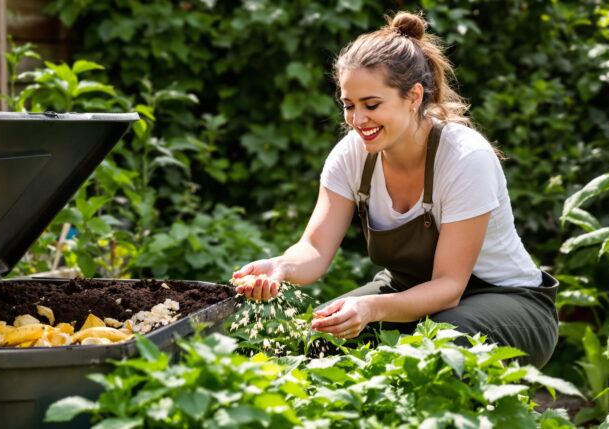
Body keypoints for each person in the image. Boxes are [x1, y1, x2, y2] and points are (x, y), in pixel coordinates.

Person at [231, 11, 558, 368]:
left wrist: (370, 309)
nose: (358, 120)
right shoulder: (352, 155)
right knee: (320, 338)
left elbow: (449, 286)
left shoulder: (465, 158)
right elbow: (314, 249)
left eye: (371, 105)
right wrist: (280, 267)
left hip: (511, 304)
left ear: (414, 96)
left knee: (442, 345)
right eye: (349, 106)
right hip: (410, 293)